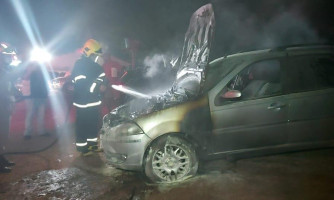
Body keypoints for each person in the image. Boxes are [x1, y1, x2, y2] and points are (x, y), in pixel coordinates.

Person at [70, 39, 107, 156]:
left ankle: (92, 146)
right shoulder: (80, 65)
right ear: (88, 53)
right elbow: (79, 83)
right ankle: (83, 148)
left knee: (92, 124)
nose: (98, 58)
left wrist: (103, 85)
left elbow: (102, 79)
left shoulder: (96, 67)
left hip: (92, 102)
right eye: (96, 55)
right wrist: (96, 87)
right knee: (82, 125)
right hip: (83, 102)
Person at [0, 42, 20, 173]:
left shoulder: (3, 70)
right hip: (2, 106)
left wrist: (16, 93)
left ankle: (2, 159)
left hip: (5, 106)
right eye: (5, 55)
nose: (8, 58)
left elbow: (8, 86)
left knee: (3, 135)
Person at [23, 63, 49, 140]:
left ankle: (41, 131)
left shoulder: (42, 72)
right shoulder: (30, 70)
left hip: (41, 96)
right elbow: (25, 78)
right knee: (30, 114)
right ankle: (27, 132)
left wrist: (46, 94)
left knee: (41, 114)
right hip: (32, 96)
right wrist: (30, 70)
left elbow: (45, 83)